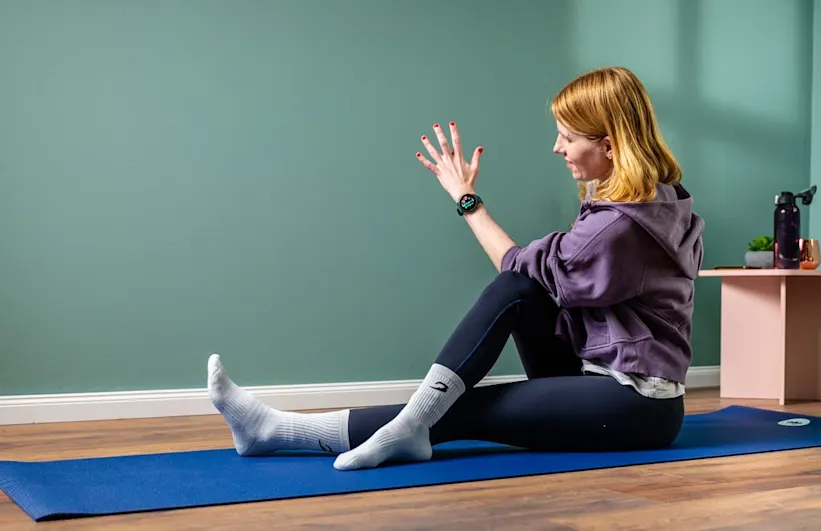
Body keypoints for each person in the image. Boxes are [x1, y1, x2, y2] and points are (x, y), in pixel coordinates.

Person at [207, 66, 705, 471]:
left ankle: (279, 431)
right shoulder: (660, 203)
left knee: (462, 404)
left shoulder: (621, 226)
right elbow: (535, 278)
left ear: (611, 145)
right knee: (517, 293)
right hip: (602, 376)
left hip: (635, 404)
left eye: (568, 138)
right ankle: (371, 427)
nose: (558, 148)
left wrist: (468, 201)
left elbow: (521, 265)